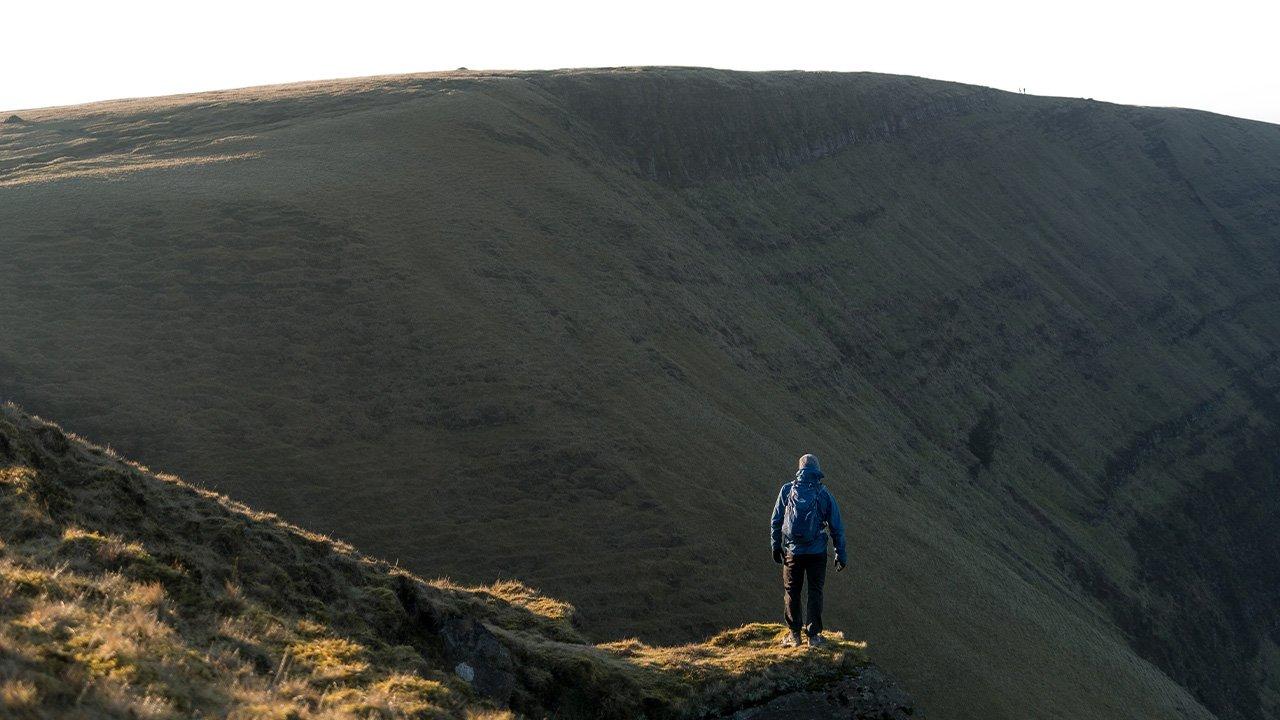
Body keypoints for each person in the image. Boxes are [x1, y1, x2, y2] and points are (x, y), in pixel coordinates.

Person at [770, 453, 847, 647]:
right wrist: (840, 553)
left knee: (792, 591)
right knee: (815, 592)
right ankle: (813, 637)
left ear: (800, 469)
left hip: (793, 552)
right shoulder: (824, 494)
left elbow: (776, 520)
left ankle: (794, 635)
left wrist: (776, 545)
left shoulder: (787, 490)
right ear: (817, 470)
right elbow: (836, 526)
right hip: (817, 552)